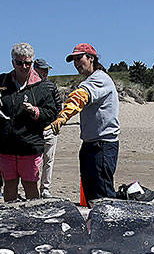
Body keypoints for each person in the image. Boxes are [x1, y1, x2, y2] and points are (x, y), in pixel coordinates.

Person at [47, 42, 120, 203]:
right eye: (74, 60)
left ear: (91, 58)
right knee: (90, 194)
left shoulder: (99, 79)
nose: (76, 63)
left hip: (102, 145)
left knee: (103, 197)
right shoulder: (92, 79)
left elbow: (80, 96)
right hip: (90, 144)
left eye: (80, 58)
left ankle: (107, 227)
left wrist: (63, 116)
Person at [0, 44, 60, 202]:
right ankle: (11, 220)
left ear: (32, 62)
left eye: (28, 63)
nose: (24, 67)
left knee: (30, 185)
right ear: (12, 62)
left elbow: (51, 113)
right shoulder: (3, 81)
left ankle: (35, 221)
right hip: (6, 146)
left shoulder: (42, 86)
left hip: (30, 146)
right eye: (19, 63)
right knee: (9, 184)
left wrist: (35, 111)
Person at [34, 58, 59, 197]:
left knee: (48, 160)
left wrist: (55, 123)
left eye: (46, 70)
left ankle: (45, 188)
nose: (45, 73)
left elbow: (58, 106)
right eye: (42, 69)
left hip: (50, 129)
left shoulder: (51, 86)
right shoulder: (30, 86)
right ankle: (33, 187)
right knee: (34, 160)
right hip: (33, 130)